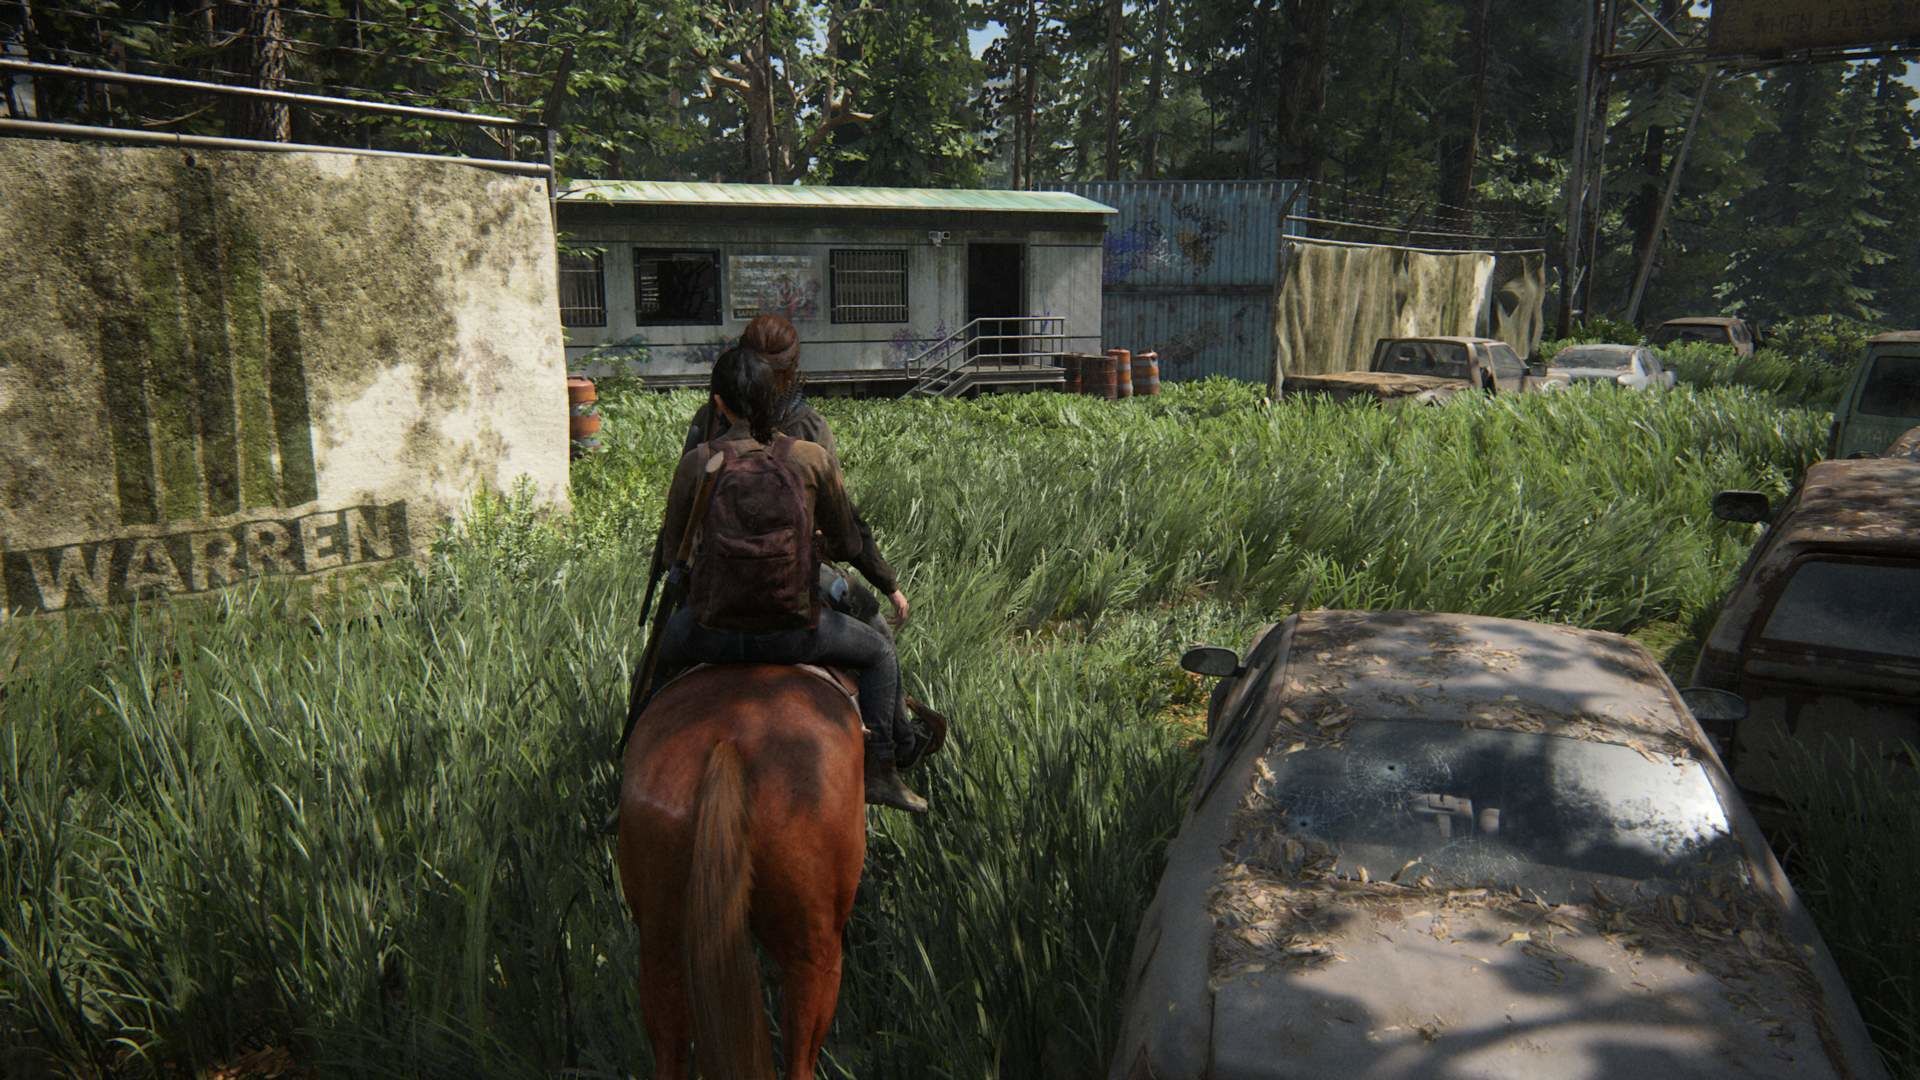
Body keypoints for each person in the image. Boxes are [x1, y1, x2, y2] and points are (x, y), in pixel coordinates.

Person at [648, 345, 927, 813]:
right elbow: (847, 543)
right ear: (775, 398)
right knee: (880, 654)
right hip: (796, 635)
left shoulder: (697, 463)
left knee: (657, 663)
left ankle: (638, 771)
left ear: (719, 403)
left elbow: (675, 549)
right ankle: (881, 771)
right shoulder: (810, 458)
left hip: (711, 634)